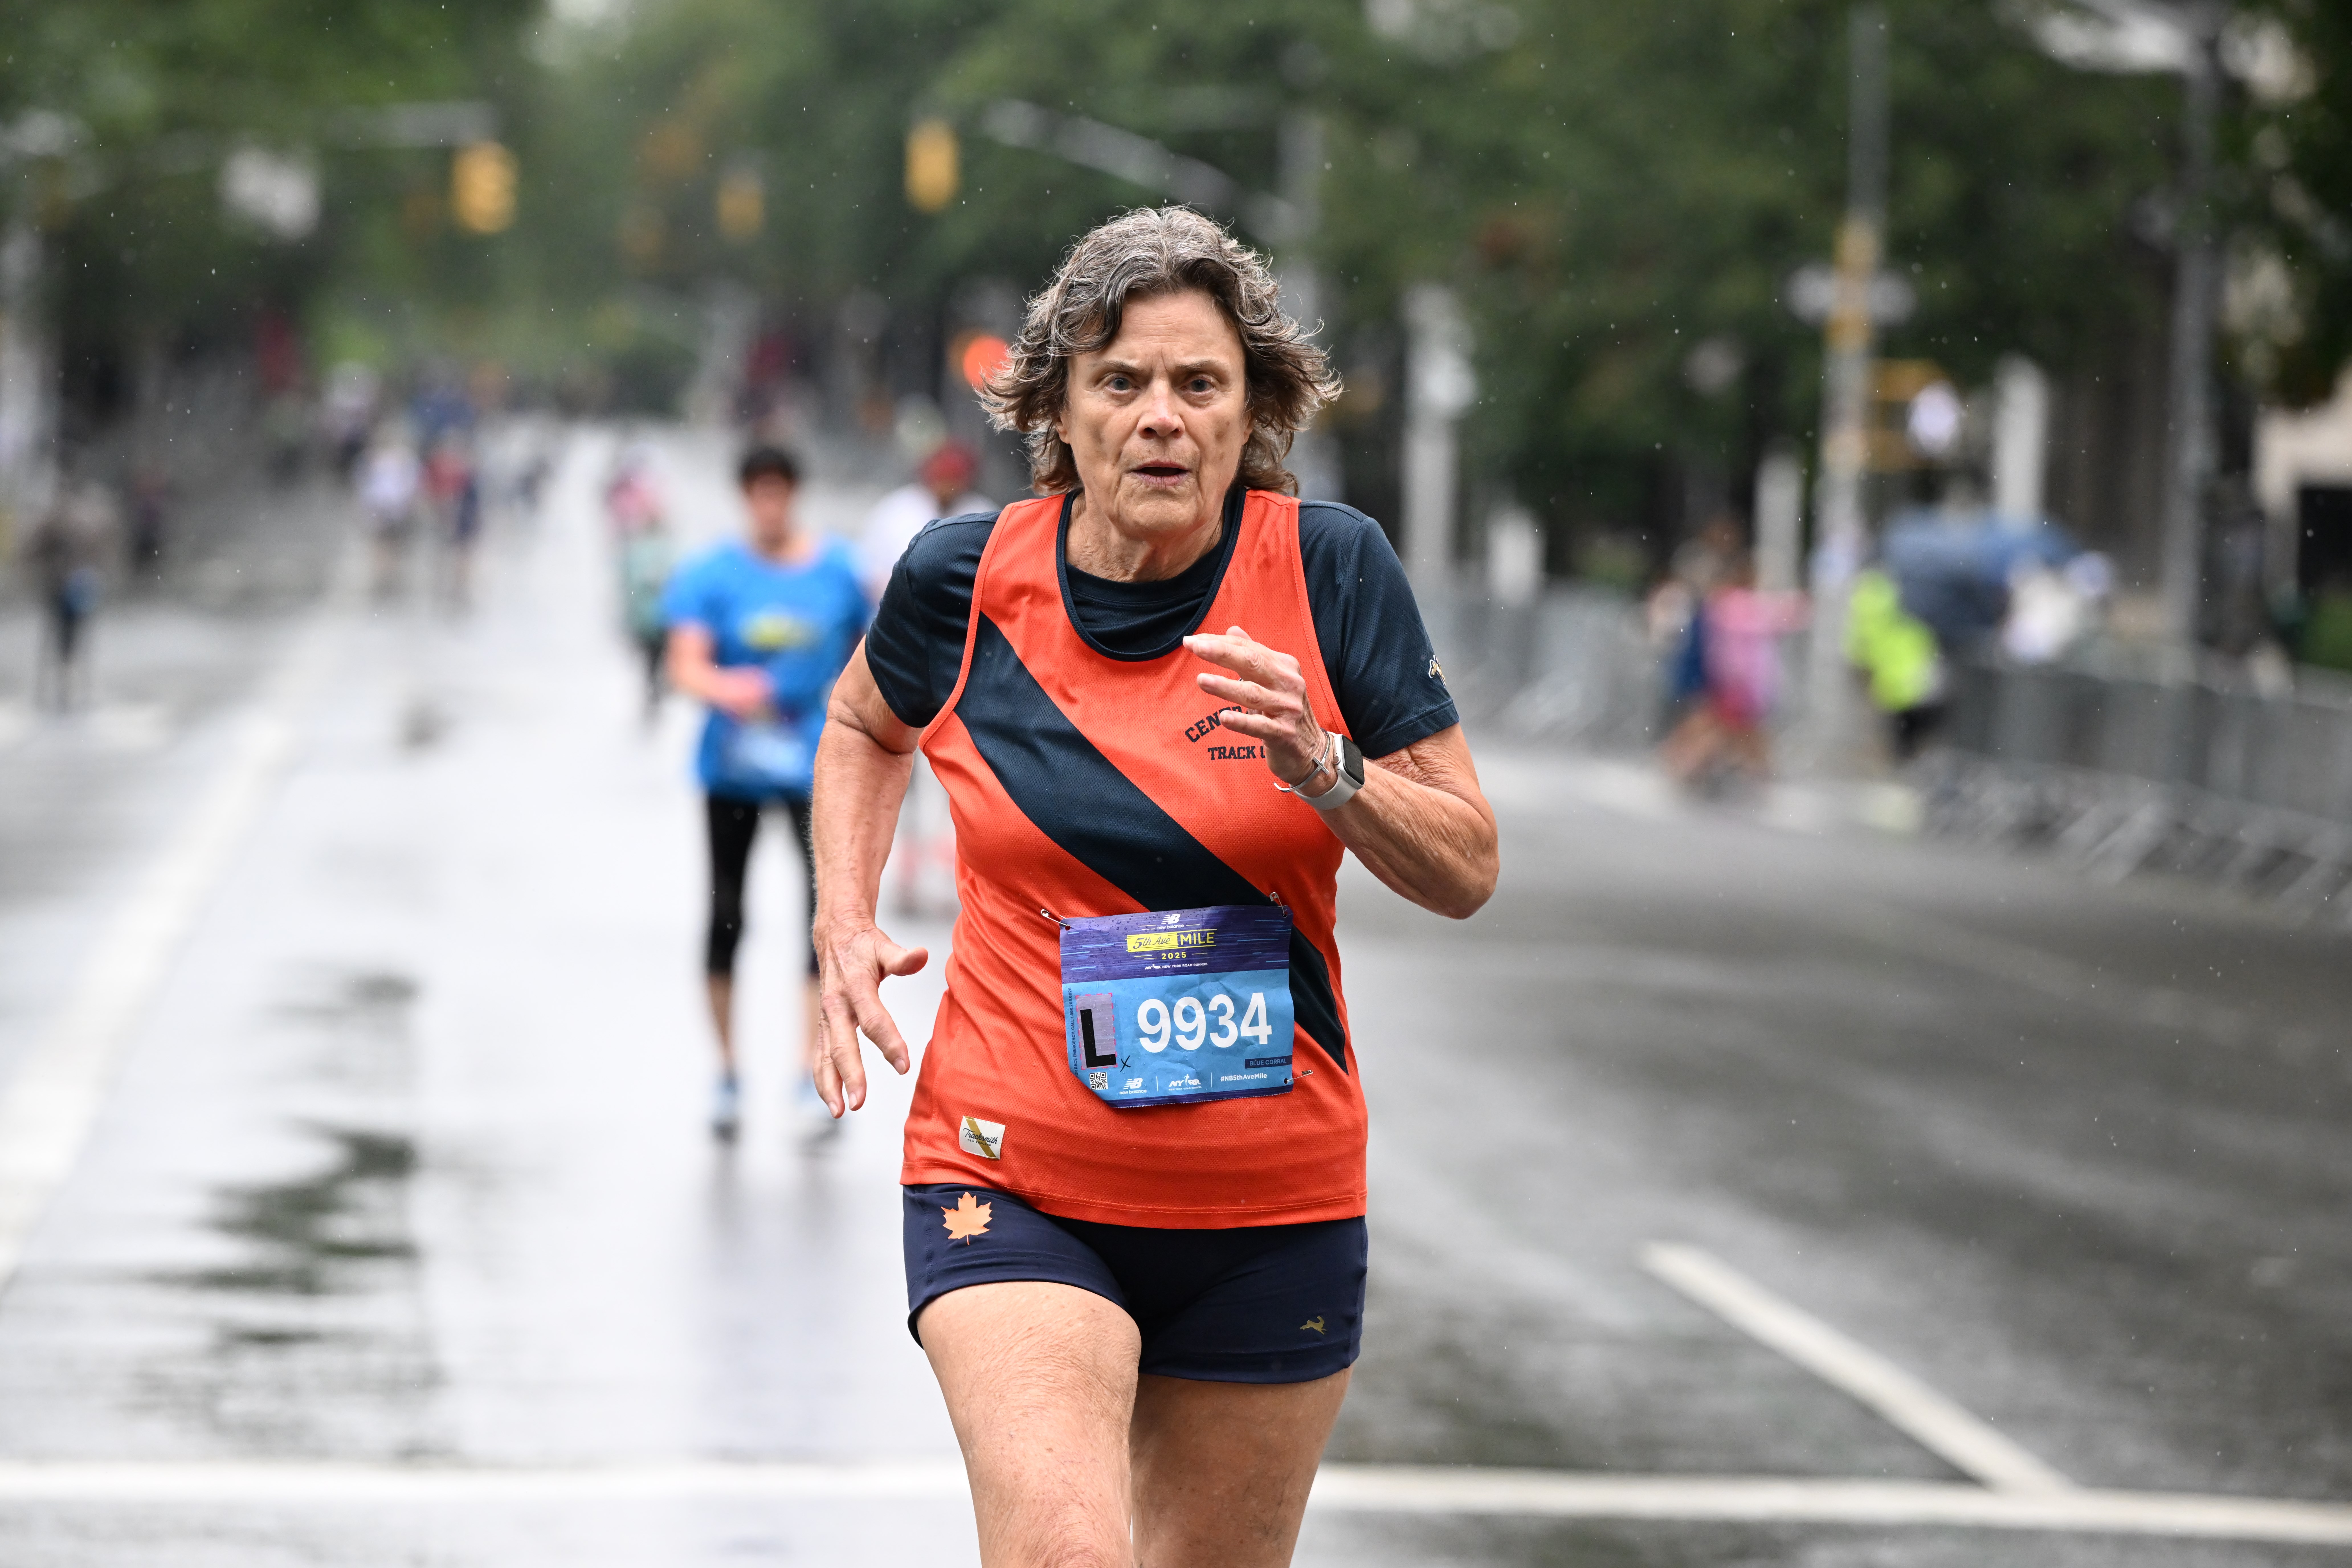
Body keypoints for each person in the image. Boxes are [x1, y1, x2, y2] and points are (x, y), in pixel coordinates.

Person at [809, 207, 1498, 1568]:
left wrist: (1328, 768)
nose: (1159, 419)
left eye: (1199, 385)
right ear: (1060, 410)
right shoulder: (963, 581)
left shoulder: (1330, 572)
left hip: (1271, 1207)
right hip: (1011, 1175)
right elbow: (860, 727)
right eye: (1119, 383)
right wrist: (840, 915)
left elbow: (1468, 863)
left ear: (1256, 416)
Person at [663, 446, 870, 1141]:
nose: (769, 504)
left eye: (779, 491)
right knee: (726, 916)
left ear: (794, 494)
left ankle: (809, 1069)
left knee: (822, 919)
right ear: (745, 496)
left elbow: (870, 661)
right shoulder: (711, 575)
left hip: (814, 772)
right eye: (758, 492)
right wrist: (728, 688)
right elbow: (685, 663)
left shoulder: (838, 571)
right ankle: (726, 1070)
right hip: (731, 772)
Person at [858, 441, 993, 916]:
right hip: (900, 664)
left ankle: (944, 876)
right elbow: (871, 587)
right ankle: (904, 875)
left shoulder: (983, 517)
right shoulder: (895, 514)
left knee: (948, 783)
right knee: (900, 778)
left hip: (958, 676)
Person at [857, 440, 993, 599]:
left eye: (954, 479)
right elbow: (868, 566)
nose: (948, 486)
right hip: (896, 605)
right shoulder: (898, 509)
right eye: (943, 477)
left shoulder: (982, 513)